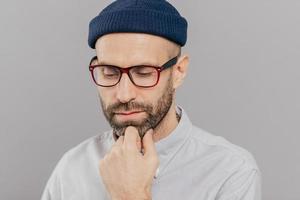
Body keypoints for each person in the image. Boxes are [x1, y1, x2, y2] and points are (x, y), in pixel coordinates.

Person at [41, 0, 261, 199]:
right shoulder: (72, 169)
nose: (124, 94)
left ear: (179, 72)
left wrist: (131, 195)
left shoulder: (230, 172)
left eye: (144, 72)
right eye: (109, 72)